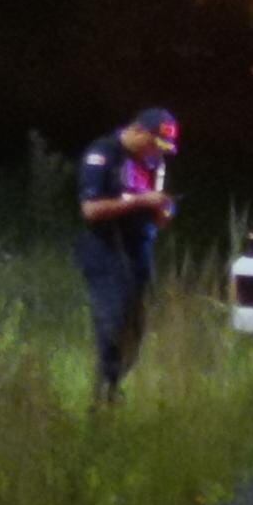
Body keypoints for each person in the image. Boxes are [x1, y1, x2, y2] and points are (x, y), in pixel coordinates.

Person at [75, 107, 179, 403]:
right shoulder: (104, 154)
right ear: (138, 131)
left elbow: (158, 209)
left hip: (138, 251)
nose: (157, 152)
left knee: (135, 328)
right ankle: (102, 398)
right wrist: (141, 201)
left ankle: (113, 386)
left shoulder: (152, 163)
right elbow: (91, 210)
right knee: (112, 323)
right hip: (106, 249)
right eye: (154, 144)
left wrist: (163, 209)